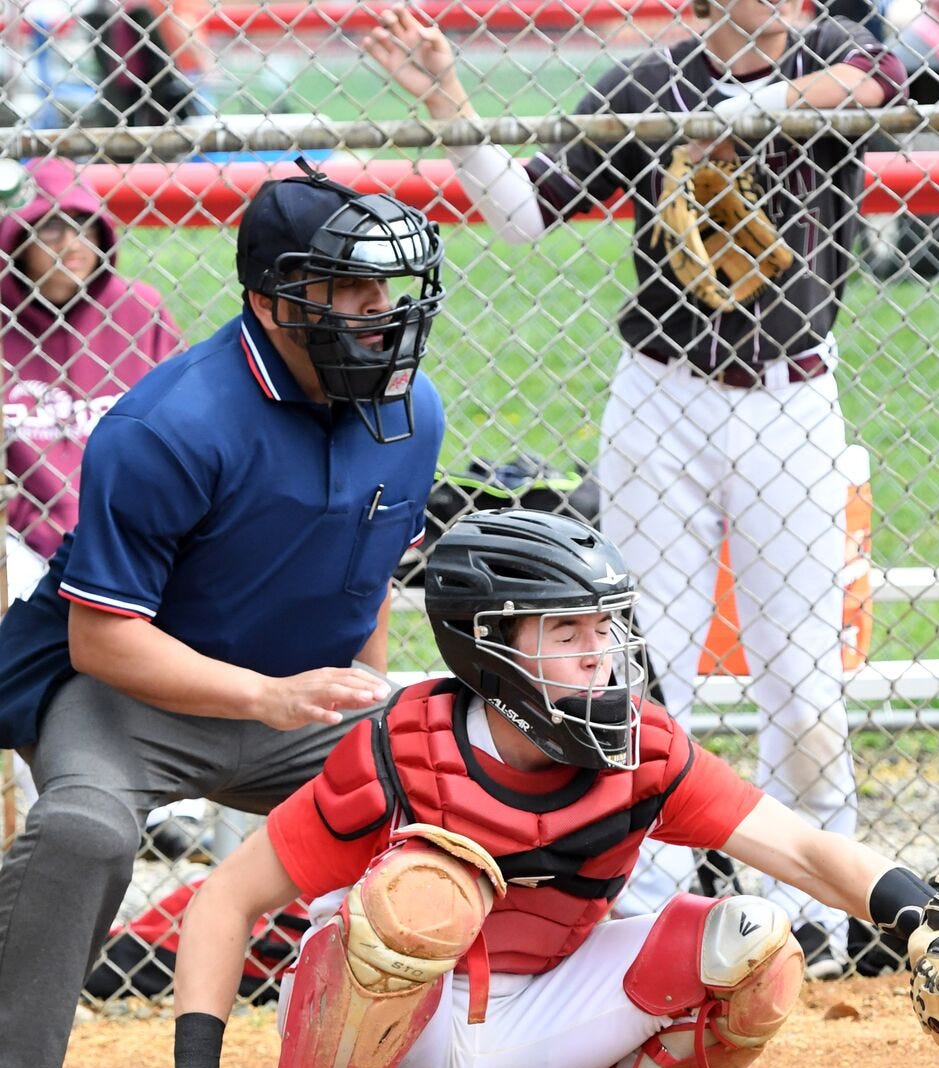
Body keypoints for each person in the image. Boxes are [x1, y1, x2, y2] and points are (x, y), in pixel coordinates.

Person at [130, 509, 939, 1068]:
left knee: (756, 938)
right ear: (489, 645)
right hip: (391, 1044)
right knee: (428, 889)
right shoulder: (401, 751)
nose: (600, 654)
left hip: (540, 1021)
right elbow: (225, 900)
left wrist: (923, 918)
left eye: (605, 627)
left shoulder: (641, 750)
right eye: (566, 632)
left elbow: (802, 850)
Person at [0, 159, 533, 1068]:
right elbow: (104, 639)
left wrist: (365, 701)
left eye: (388, 291)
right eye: (348, 291)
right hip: (128, 699)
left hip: (301, 697)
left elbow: (369, 576)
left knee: (446, 814)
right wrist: (264, 699)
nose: (380, 315)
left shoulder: (408, 409)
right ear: (272, 297)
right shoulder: (170, 426)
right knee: (84, 832)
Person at [363, 0, 906, 975]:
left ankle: (812, 909)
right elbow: (525, 215)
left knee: (806, 681)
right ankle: (642, 897)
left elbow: (878, 82)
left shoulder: (830, 48)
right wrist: (449, 98)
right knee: (650, 662)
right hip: (663, 398)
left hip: (793, 399)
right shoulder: (650, 83)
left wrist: (746, 114)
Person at [1, 157, 183, 560]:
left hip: (132, 528)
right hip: (19, 542)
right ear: (17, 240)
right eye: (50, 226)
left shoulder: (140, 310)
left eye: (83, 224)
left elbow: (184, 433)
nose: (70, 244)